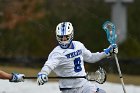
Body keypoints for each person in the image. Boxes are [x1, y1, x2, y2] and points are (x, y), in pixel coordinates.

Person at [37, 22, 118, 93]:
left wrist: (106, 53)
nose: (64, 40)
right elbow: (49, 65)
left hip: (84, 84)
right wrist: (43, 73)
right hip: (69, 89)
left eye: (66, 37)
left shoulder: (78, 45)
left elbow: (91, 57)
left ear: (71, 35)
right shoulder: (57, 53)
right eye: (61, 37)